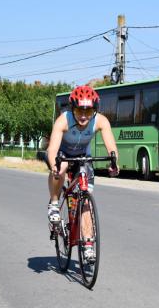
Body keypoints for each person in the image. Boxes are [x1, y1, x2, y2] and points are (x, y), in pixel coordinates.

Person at [45, 85, 119, 259]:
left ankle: (87, 244)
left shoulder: (101, 121)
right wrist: (54, 164)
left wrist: (114, 162)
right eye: (80, 110)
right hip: (62, 153)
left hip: (82, 156)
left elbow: (111, 146)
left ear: (94, 109)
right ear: (73, 108)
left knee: (85, 200)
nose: (84, 115)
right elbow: (53, 149)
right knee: (61, 167)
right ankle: (54, 204)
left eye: (88, 110)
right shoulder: (63, 120)